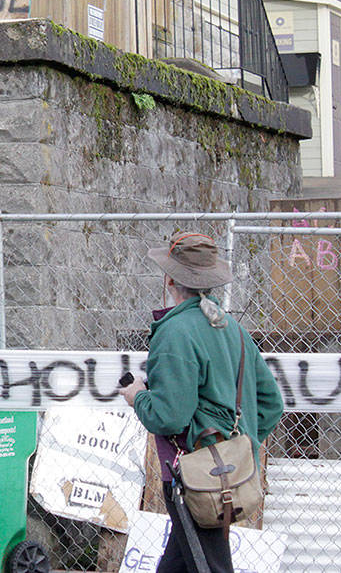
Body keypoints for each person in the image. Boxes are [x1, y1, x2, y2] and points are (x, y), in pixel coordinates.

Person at [119, 233, 285, 573]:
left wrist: (138, 397)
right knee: (182, 563)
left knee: (209, 565)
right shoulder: (233, 328)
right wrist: (237, 449)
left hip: (197, 479)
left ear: (169, 279)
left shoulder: (174, 332)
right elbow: (271, 404)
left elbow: (169, 417)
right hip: (221, 475)